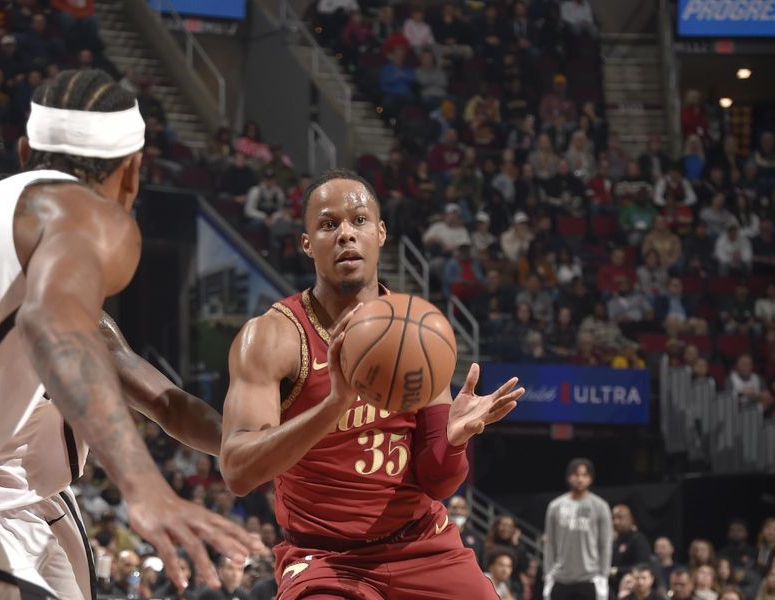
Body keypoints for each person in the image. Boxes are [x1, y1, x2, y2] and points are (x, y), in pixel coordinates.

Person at [0, 69, 258, 598]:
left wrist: (265, 448)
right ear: (132, 172)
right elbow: (49, 324)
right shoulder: (89, 215)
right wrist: (145, 485)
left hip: (39, 502)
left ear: (22, 152)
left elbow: (171, 406)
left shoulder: (2, 229)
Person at [218, 168, 526, 599]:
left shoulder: (418, 330)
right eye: (328, 224)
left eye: (359, 221)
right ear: (307, 244)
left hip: (422, 547)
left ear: (380, 233)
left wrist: (453, 440)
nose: (346, 234)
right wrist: (333, 406)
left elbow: (438, 482)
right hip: (324, 560)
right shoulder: (273, 336)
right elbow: (237, 470)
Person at [543, 458, 612, 600]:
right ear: (569, 477)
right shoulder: (555, 506)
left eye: (584, 475)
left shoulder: (600, 506)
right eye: (576, 475)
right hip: (560, 577)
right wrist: (548, 573)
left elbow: (605, 543)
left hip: (590, 577)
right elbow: (550, 542)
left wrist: (603, 575)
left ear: (590, 479)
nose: (580, 479)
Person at [611, 505, 652, 586]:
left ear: (630, 519)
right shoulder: (613, 541)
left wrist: (617, 571)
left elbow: (643, 566)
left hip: (633, 585)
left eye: (620, 517)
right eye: (613, 518)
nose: (615, 522)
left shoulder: (638, 539)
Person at [448, 495, 484, 560]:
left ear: (467, 512)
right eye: (454, 508)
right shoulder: (439, 533)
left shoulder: (476, 537)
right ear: (447, 509)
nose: (458, 511)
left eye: (462, 508)